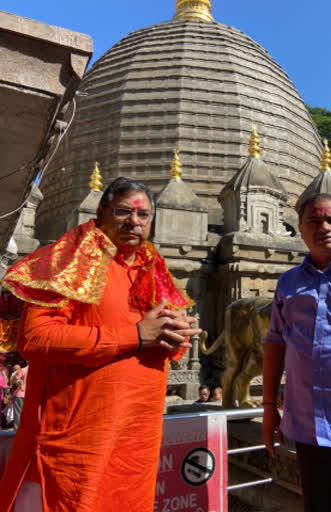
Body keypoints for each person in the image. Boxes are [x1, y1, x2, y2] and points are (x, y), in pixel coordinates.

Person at [0, 177, 200, 512]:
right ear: (102, 211)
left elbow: (159, 339)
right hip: (77, 438)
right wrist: (135, 335)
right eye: (124, 211)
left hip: (135, 438)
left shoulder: (152, 267)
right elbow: (36, 338)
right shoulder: (66, 260)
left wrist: (173, 337)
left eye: (143, 215)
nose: (134, 221)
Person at [261, 193, 331, 511]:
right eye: (314, 221)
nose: (323, 227)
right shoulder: (288, 283)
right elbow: (275, 342)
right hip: (309, 427)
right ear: (300, 228)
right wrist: (269, 405)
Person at [9, 363, 27, 431]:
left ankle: (17, 430)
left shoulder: (23, 370)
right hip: (30, 395)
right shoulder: (38, 370)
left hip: (20, 393)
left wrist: (19, 383)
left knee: (18, 413)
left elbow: (14, 381)